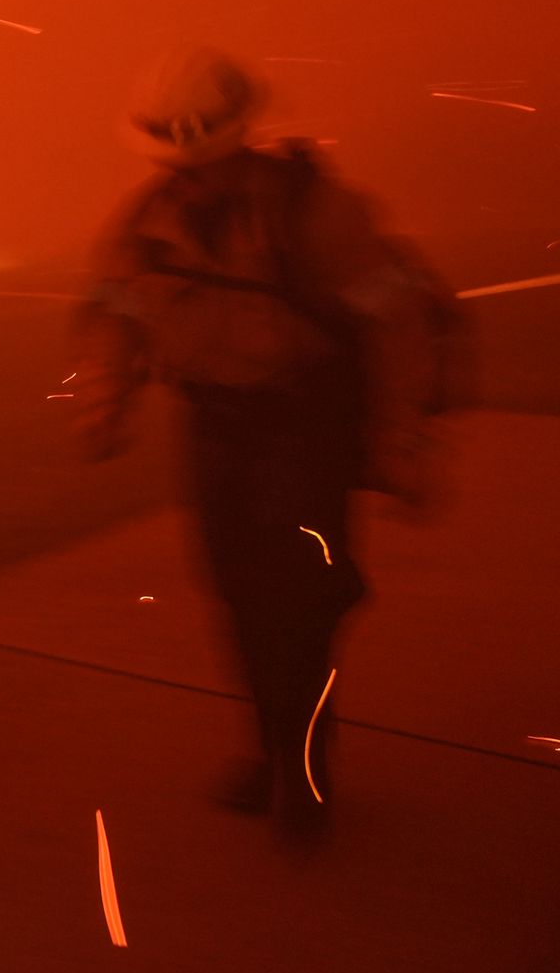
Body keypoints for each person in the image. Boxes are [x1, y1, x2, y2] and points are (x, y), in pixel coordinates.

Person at [72, 46, 445, 843]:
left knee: (302, 608)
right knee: (236, 597)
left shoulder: (316, 213)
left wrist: (402, 439)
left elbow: (398, 322)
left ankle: (304, 767)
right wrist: (103, 402)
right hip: (214, 431)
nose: (190, 175)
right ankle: (269, 745)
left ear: (238, 136)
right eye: (177, 159)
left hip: (303, 430)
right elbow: (114, 312)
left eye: (201, 157)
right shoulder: (145, 221)